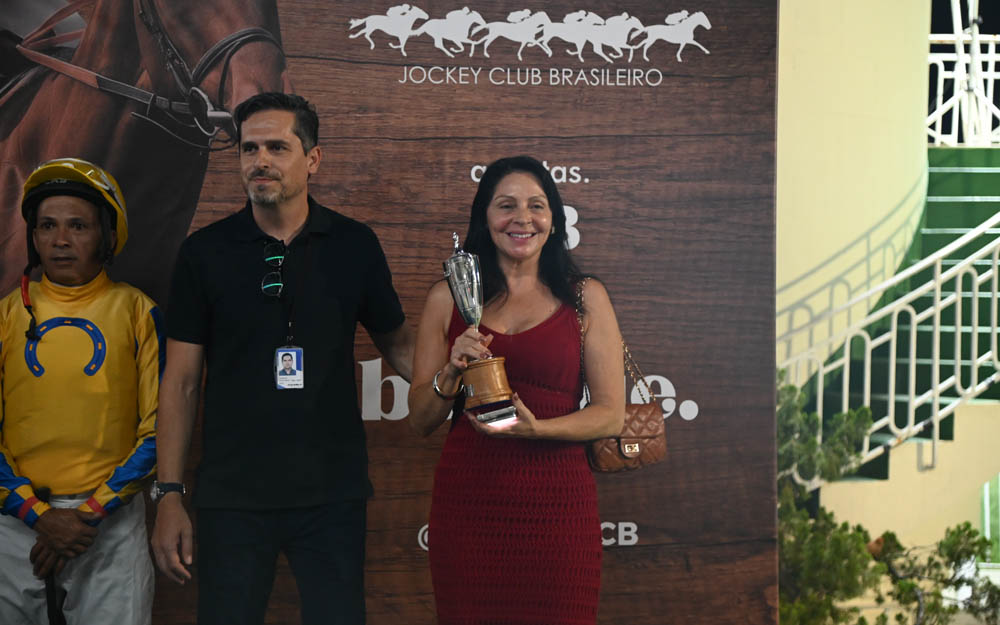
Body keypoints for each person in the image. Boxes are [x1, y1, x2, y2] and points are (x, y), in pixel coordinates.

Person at [151, 92, 413, 625]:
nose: (260, 161)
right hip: (231, 497)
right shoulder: (204, 252)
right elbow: (180, 383)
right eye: (249, 149)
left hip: (332, 494)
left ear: (312, 159)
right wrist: (170, 494)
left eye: (276, 147)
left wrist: (466, 387)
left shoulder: (354, 244)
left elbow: (401, 348)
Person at [407, 155, 625, 625]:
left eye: (536, 206)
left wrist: (536, 430)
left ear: (554, 220)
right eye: (506, 205)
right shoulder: (446, 298)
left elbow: (611, 415)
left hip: (559, 508)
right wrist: (450, 373)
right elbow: (421, 420)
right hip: (469, 506)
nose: (522, 218)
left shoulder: (585, 297)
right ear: (485, 218)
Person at [0, 158, 161, 624]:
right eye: (47, 225)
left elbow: (160, 429)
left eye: (78, 226)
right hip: (14, 526)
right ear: (33, 236)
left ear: (107, 236)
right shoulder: (6, 316)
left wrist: (87, 514)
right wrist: (40, 516)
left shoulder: (139, 312)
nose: (61, 240)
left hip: (110, 526)